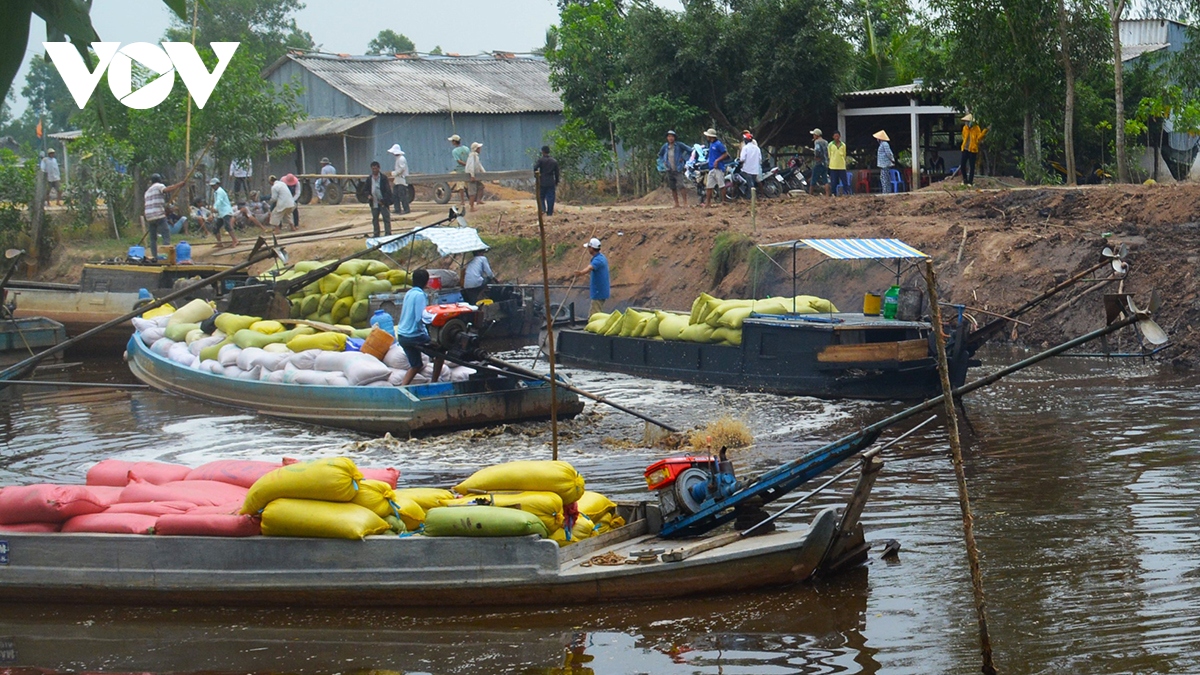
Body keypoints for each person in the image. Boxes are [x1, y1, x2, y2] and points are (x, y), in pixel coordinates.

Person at [397, 268, 445, 386]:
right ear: (427, 282)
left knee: (416, 365)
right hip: (414, 336)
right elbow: (420, 318)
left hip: (402, 336)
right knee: (440, 353)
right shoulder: (419, 295)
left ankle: (403, 387)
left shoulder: (409, 293)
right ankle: (434, 383)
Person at [143, 173, 186, 261]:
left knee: (153, 238)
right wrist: (179, 185)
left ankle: (155, 257)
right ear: (160, 180)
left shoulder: (147, 192)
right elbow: (167, 189)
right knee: (166, 235)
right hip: (158, 215)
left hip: (149, 216)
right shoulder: (159, 186)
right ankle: (166, 256)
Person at [573, 237, 609, 316]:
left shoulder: (599, 260)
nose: (588, 249)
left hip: (599, 292)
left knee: (595, 315)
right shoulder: (599, 257)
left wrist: (581, 273)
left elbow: (590, 267)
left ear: (592, 248)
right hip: (599, 291)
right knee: (595, 312)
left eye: (589, 247)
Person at [657, 131, 689, 208]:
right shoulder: (665, 146)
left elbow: (690, 150)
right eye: (669, 136)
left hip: (678, 169)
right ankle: (676, 203)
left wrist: (684, 158)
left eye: (672, 136)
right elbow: (660, 155)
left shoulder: (679, 145)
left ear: (674, 137)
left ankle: (685, 202)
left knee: (681, 185)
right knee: (672, 187)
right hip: (669, 169)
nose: (670, 138)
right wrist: (663, 162)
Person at [208, 177, 239, 248]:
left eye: (214, 185)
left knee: (227, 226)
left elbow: (219, 201)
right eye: (212, 186)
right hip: (220, 212)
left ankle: (235, 240)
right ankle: (219, 242)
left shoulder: (220, 191)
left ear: (218, 184)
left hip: (226, 211)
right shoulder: (216, 192)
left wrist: (214, 207)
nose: (213, 187)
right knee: (216, 227)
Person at [960, 114, 989, 187]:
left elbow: (979, 138)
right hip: (965, 149)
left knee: (972, 166)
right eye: (966, 122)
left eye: (968, 122)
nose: (966, 123)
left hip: (972, 150)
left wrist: (985, 131)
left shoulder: (976, 128)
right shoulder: (965, 128)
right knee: (962, 165)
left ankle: (970, 181)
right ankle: (965, 179)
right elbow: (963, 136)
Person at [366, 160, 394, 237]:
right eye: (373, 169)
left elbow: (387, 191)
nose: (374, 170)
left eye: (375, 168)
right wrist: (368, 196)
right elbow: (365, 190)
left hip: (383, 202)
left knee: (386, 218)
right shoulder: (369, 179)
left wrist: (383, 200)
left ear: (379, 168)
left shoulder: (383, 178)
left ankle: (388, 233)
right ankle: (376, 233)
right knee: (375, 219)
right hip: (374, 202)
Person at [703, 128, 729, 208]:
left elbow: (725, 154)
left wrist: (717, 160)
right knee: (709, 186)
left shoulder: (718, 144)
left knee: (721, 185)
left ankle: (724, 201)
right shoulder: (711, 144)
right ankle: (708, 203)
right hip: (711, 168)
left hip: (718, 168)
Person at [534, 145, 560, 215]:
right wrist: (557, 181)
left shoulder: (541, 160)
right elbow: (557, 173)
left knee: (541, 196)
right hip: (551, 181)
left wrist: (536, 177)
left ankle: (543, 209)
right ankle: (550, 212)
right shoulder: (554, 161)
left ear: (543, 152)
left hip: (542, 181)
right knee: (551, 197)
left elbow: (535, 168)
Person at [388, 144, 411, 215]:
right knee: (395, 195)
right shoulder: (398, 159)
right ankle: (397, 209)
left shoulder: (401, 159)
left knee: (402, 195)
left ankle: (406, 209)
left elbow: (402, 169)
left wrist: (394, 173)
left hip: (402, 180)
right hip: (397, 180)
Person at [739, 131, 762, 195]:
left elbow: (742, 159)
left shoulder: (745, 148)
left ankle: (750, 198)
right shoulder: (757, 148)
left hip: (747, 169)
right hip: (755, 170)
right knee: (752, 184)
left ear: (746, 140)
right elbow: (760, 159)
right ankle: (752, 197)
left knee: (750, 185)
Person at [448, 134, 468, 207]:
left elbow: (459, 161)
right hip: (467, 169)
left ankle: (462, 201)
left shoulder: (455, 151)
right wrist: (468, 165)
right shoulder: (466, 148)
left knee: (460, 185)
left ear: (454, 142)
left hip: (460, 169)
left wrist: (465, 164)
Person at [465, 142, 485, 212]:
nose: (480, 149)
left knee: (481, 187)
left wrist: (484, 173)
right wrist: (472, 176)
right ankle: (471, 207)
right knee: (472, 192)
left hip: (476, 175)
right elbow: (471, 166)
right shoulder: (472, 156)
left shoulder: (476, 156)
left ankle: (478, 200)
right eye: (479, 148)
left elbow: (479, 166)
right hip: (471, 176)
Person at [828, 130, 849, 196]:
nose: (836, 137)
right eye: (835, 136)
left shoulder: (843, 145)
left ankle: (846, 193)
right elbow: (829, 155)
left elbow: (844, 155)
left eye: (838, 136)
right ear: (833, 137)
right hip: (833, 166)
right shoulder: (830, 145)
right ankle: (833, 194)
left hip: (842, 166)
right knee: (833, 181)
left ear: (840, 136)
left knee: (844, 181)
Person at [810, 128, 830, 196]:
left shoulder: (817, 142)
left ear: (816, 135)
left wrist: (816, 157)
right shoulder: (826, 142)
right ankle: (827, 194)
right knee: (825, 179)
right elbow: (827, 152)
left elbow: (817, 150)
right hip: (825, 162)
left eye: (814, 135)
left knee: (813, 178)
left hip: (819, 162)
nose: (813, 136)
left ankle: (810, 194)